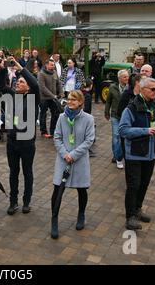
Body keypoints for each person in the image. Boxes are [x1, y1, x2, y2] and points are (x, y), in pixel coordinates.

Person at [119, 77, 155, 230]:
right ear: (142, 90)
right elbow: (123, 130)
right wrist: (145, 131)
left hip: (150, 153)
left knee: (144, 184)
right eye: (152, 89)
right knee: (133, 185)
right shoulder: (131, 108)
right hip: (134, 154)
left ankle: (138, 209)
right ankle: (130, 217)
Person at [0, 58, 40, 215]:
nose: (17, 84)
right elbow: (1, 85)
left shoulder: (33, 97)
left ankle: (26, 201)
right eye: (17, 82)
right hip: (12, 143)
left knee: (27, 172)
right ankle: (13, 202)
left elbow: (35, 83)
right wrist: (3, 68)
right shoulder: (12, 95)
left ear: (27, 86)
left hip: (27, 143)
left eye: (21, 82)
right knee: (13, 172)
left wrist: (20, 68)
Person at [51, 90, 95, 239]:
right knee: (58, 190)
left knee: (82, 189)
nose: (70, 102)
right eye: (69, 99)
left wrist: (74, 155)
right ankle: (54, 219)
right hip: (63, 159)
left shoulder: (88, 119)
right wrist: (65, 154)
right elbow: (57, 137)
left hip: (80, 160)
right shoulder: (61, 117)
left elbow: (89, 140)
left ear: (80, 102)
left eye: (74, 100)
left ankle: (81, 215)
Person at [105, 69, 129, 169]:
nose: (127, 78)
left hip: (126, 117)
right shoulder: (112, 87)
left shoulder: (130, 88)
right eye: (124, 77)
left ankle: (123, 154)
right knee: (116, 136)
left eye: (127, 76)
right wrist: (106, 112)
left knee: (124, 136)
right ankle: (117, 156)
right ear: (119, 78)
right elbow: (108, 101)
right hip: (115, 116)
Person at [38, 60, 63, 138]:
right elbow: (42, 87)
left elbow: (58, 83)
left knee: (56, 113)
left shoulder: (54, 72)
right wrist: (53, 95)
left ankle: (53, 130)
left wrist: (61, 92)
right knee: (43, 114)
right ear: (47, 66)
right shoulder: (41, 74)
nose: (53, 66)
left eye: (53, 65)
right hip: (44, 98)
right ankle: (43, 131)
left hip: (53, 98)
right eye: (51, 65)